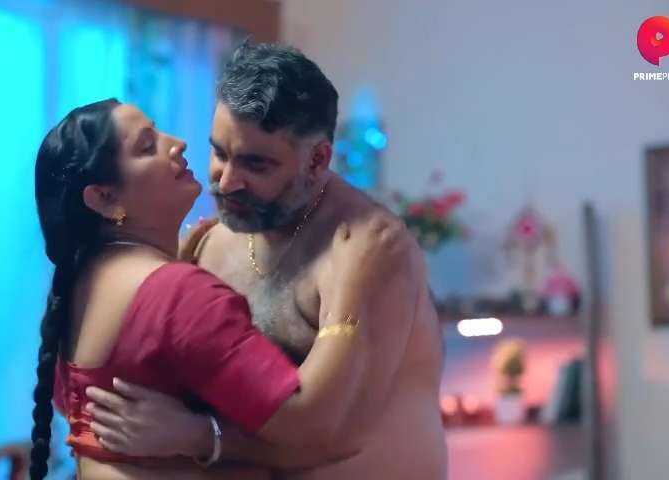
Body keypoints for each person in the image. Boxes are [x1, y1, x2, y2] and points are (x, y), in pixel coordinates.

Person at [85, 42, 448, 479]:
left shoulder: (369, 251)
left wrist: (196, 436)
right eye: (220, 153)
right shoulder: (212, 239)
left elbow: (335, 437)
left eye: (255, 164)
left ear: (317, 160)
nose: (226, 182)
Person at [30, 98, 409, 480]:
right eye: (147, 146)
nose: (176, 143)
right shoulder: (177, 294)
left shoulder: (78, 285)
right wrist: (351, 289)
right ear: (104, 198)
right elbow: (312, 425)